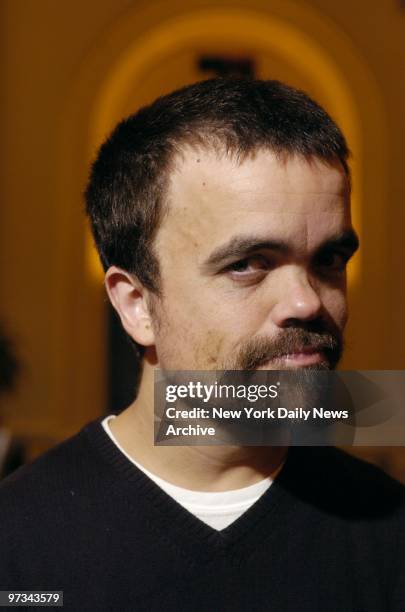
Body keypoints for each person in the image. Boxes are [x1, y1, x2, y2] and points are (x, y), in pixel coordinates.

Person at [0, 78, 404, 611]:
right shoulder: (18, 545)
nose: (307, 302)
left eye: (328, 259)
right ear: (137, 305)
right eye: (247, 264)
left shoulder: (387, 534)